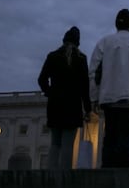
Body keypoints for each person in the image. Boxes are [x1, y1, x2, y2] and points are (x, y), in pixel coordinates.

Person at [89, 9, 129, 168]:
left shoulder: (104, 42)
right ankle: (123, 174)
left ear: (116, 25)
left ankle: (107, 173)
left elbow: (93, 73)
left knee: (110, 137)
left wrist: (93, 98)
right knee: (126, 138)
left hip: (110, 97)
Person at [38, 26, 92, 169]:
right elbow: (84, 88)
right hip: (72, 107)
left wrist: (50, 92)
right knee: (68, 145)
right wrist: (87, 109)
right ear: (77, 42)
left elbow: (41, 79)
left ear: (64, 40)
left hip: (55, 105)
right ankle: (64, 179)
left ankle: (50, 177)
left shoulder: (52, 56)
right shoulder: (81, 59)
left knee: (55, 143)